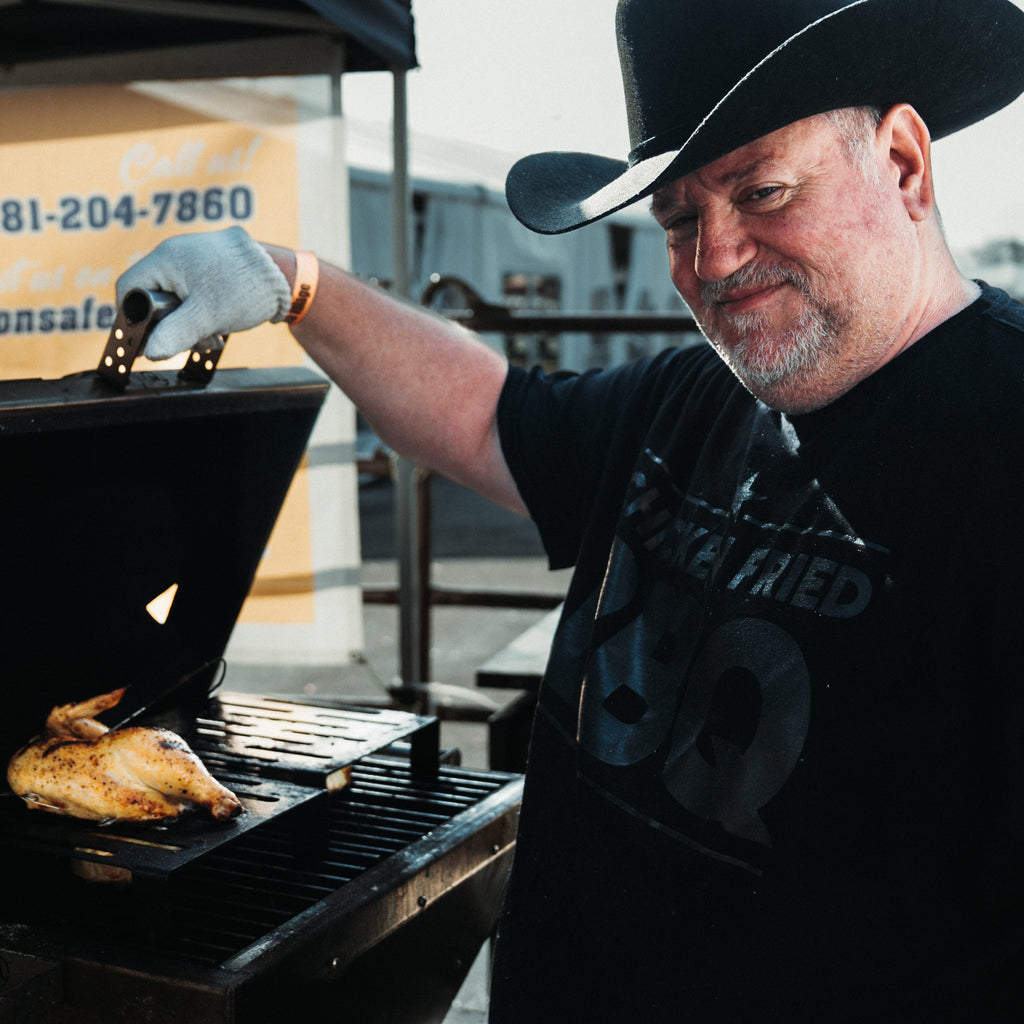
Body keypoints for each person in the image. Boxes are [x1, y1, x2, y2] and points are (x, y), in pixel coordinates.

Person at [118, 0, 1024, 1019]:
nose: (713, 259)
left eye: (762, 190)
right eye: (678, 218)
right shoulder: (690, 399)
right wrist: (296, 284)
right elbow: (480, 412)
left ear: (904, 162)